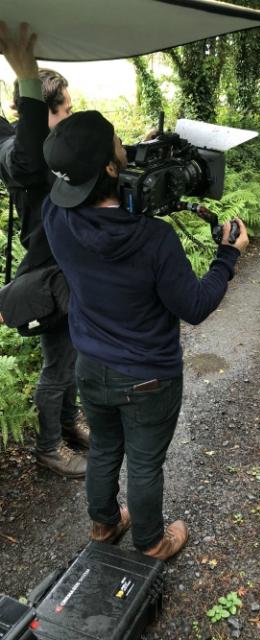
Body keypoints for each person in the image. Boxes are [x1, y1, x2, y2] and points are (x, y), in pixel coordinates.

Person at [41, 110, 249, 560]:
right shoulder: (153, 239)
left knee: (104, 449)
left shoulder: (55, 215)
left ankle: (104, 524)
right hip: (148, 377)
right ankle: (153, 542)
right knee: (144, 462)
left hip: (90, 365)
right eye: (119, 142)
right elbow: (194, 306)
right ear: (112, 168)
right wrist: (228, 257)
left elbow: (91, 189)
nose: (124, 145)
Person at [0, 22, 88, 477]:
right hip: (47, 277)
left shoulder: (54, 148)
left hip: (66, 272)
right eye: (65, 110)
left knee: (70, 357)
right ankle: (49, 448)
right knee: (58, 364)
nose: (71, 117)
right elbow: (28, 159)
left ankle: (69, 424)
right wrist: (26, 78)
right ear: (44, 111)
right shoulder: (19, 151)